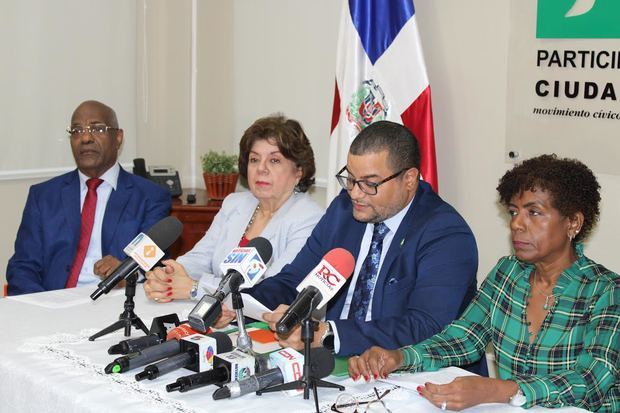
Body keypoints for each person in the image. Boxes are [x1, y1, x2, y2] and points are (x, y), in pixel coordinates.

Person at [350, 154, 619, 412]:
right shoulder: (508, 273)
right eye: (514, 212)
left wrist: (497, 390)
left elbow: (590, 382)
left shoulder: (606, 291)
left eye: (534, 213)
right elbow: (464, 338)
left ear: (573, 222)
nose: (517, 224)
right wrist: (400, 357)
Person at [242, 120, 479, 359]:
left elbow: (425, 326)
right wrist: (238, 302)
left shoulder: (446, 234)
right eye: (351, 179)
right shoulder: (343, 211)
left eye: (369, 183)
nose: (355, 193)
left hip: (411, 374)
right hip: (337, 361)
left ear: (409, 179)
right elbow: (296, 278)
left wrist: (327, 334)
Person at [143, 115, 324, 302]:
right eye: (254, 159)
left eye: (274, 160)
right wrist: (170, 274)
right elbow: (201, 257)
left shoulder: (309, 218)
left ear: (299, 172)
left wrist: (196, 288)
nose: (261, 168)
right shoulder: (235, 203)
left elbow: (271, 290)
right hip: (215, 315)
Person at [6, 100, 171, 295]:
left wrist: (127, 273)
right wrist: (44, 307)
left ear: (118, 137)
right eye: (76, 131)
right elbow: (22, 267)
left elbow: (154, 264)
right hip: (53, 303)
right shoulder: (43, 196)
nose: (85, 138)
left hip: (115, 306)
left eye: (98, 129)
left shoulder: (150, 197)